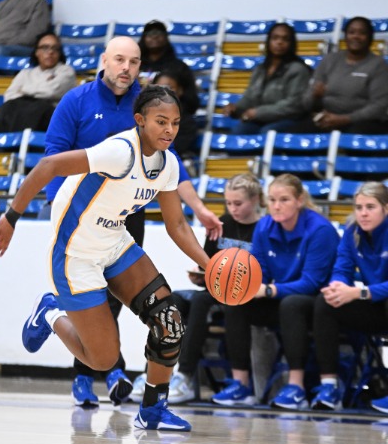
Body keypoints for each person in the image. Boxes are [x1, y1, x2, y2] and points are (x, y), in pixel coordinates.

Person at [0, 84, 211, 432]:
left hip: (114, 243)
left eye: (175, 123)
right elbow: (49, 165)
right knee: (103, 359)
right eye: (161, 121)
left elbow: (177, 225)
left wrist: (210, 266)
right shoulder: (119, 151)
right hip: (75, 253)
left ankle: (152, 410)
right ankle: (50, 312)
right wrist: (11, 217)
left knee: (169, 322)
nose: (169, 130)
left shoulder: (168, 163)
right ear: (140, 120)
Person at [41, 36, 223, 408]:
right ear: (104, 60)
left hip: (125, 215)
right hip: (79, 218)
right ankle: (87, 376)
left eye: (134, 61)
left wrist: (199, 208)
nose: (126, 68)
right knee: (92, 303)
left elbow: (171, 166)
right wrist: (63, 210)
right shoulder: (76, 100)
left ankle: (127, 384)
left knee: (130, 305)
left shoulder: (150, 103)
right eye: (120, 59)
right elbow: (55, 154)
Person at [132, 172, 264, 404]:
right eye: (229, 203)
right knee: (172, 300)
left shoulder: (264, 228)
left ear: (254, 200)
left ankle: (185, 376)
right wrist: (200, 276)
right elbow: (208, 262)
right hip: (215, 291)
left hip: (245, 296)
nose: (232, 208)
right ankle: (151, 373)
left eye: (238, 203)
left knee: (201, 301)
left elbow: (263, 270)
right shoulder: (221, 223)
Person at [211, 173, 340, 407]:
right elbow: (258, 270)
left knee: (292, 304)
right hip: (279, 297)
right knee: (235, 300)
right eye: (272, 200)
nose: (277, 206)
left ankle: (296, 386)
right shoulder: (264, 226)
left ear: (299, 201)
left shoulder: (320, 229)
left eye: (284, 200)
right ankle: (241, 384)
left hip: (314, 304)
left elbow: (311, 282)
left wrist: (269, 290)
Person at [309, 182, 388, 411]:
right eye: (359, 207)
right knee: (326, 302)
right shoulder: (353, 232)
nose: (363, 213)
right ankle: (330, 387)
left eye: (370, 207)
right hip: (375, 306)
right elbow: (342, 267)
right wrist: (338, 286)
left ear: (386, 208)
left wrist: (359, 292)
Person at [287, 16, 388, 134]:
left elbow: (379, 106)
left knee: (354, 136)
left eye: (362, 33)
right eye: (351, 32)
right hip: (327, 118)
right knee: (293, 134)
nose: (356, 36)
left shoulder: (378, 65)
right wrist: (316, 97)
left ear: (370, 37)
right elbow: (307, 102)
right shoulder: (329, 60)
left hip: (361, 121)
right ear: (345, 36)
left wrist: (345, 119)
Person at [222, 22, 312, 135]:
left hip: (289, 120)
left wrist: (258, 113)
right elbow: (249, 97)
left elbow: (293, 105)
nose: (279, 42)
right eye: (275, 38)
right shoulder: (260, 69)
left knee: (267, 132)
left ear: (292, 44)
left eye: (285, 39)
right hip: (261, 119)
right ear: (268, 41)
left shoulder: (298, 69)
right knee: (239, 131)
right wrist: (235, 108)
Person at [0, 32, 76, 132]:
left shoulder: (67, 71)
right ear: (37, 52)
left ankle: (18, 140)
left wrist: (23, 91)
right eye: (45, 48)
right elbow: (9, 95)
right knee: (8, 107)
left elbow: (50, 91)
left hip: (51, 117)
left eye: (55, 48)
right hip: (23, 113)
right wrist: (39, 89)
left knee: (38, 107)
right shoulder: (25, 73)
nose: (50, 52)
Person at [138, 20, 199, 120]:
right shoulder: (135, 66)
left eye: (159, 33)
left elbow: (192, 102)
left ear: (166, 38)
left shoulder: (179, 67)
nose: (154, 36)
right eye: (149, 34)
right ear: (143, 38)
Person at [152, 69, 198, 156]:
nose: (163, 92)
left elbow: (175, 149)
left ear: (180, 91)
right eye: (158, 88)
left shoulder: (187, 123)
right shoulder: (142, 115)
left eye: (168, 88)